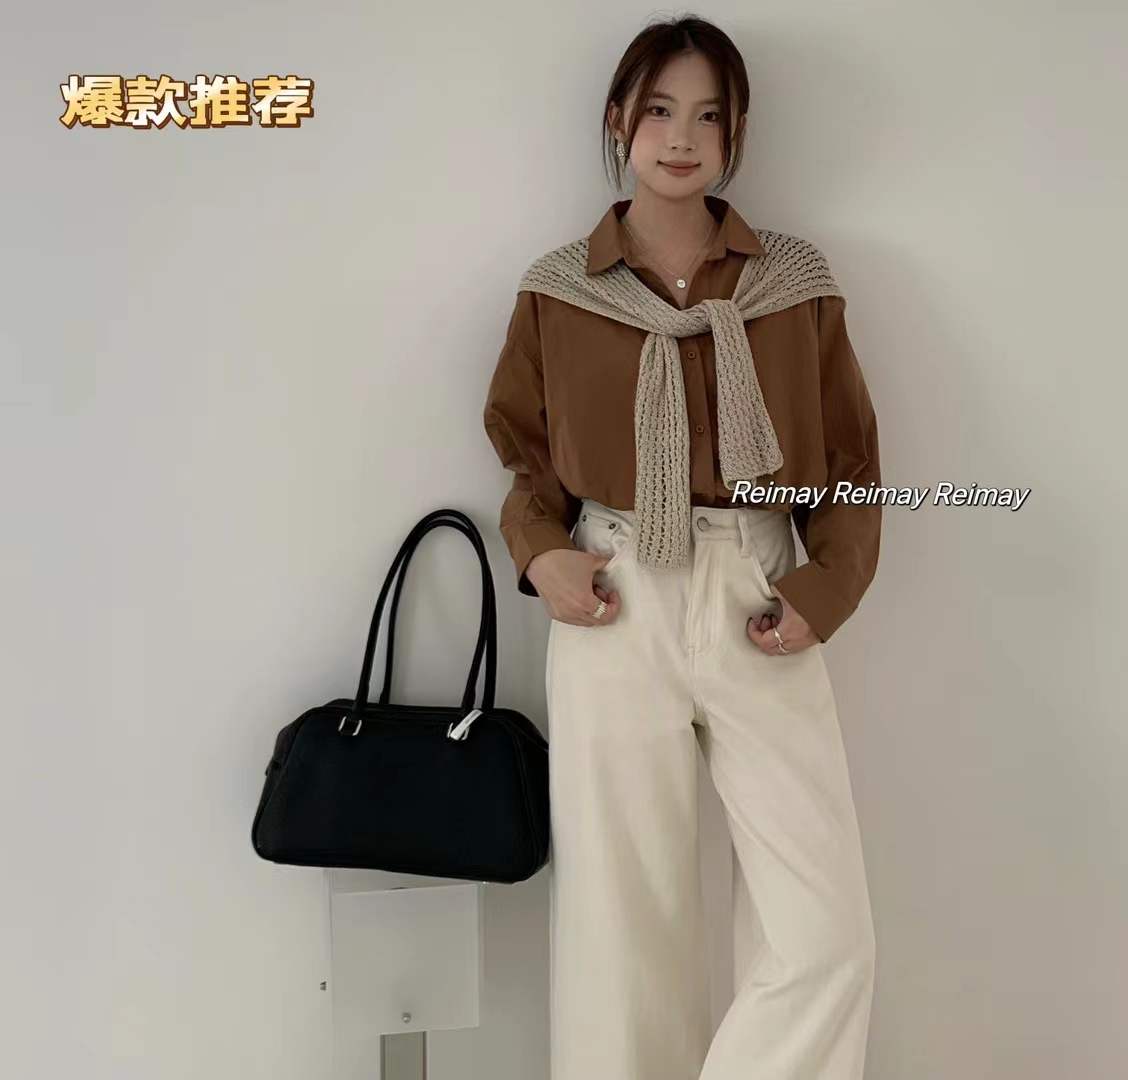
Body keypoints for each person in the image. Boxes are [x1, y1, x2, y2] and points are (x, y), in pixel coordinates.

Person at [482, 15, 881, 1080]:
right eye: (659, 110)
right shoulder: (559, 288)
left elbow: (851, 462)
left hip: (761, 591)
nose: (681, 138)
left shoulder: (794, 283)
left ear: (735, 132)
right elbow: (525, 457)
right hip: (614, 594)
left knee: (825, 934)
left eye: (709, 116)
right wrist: (542, 555)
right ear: (620, 119)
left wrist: (824, 591)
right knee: (622, 934)